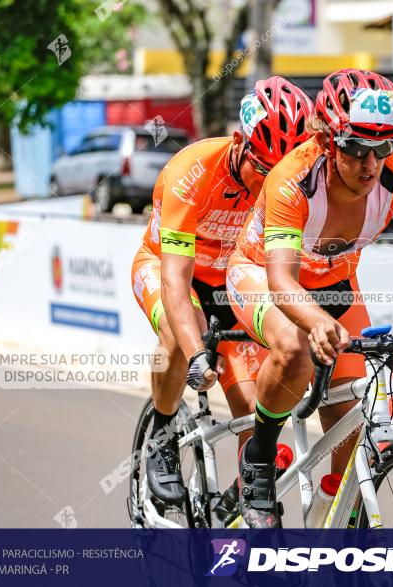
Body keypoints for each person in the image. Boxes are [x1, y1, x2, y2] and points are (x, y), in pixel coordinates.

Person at [227, 69, 393, 528]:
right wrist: (313, 321)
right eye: (355, 148)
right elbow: (280, 278)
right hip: (261, 274)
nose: (369, 164)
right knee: (294, 346)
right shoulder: (295, 177)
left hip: (335, 285)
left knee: (353, 428)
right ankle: (258, 455)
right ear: (328, 139)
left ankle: (325, 541)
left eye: (383, 147)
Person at [130, 77, 313, 510]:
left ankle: (235, 505)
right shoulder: (190, 171)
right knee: (179, 334)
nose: (273, 182)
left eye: (282, 170)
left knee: (254, 412)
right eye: (265, 168)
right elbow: (176, 280)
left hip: (230, 283)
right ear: (239, 143)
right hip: (170, 271)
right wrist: (197, 353)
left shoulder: (287, 186)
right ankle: (161, 432)